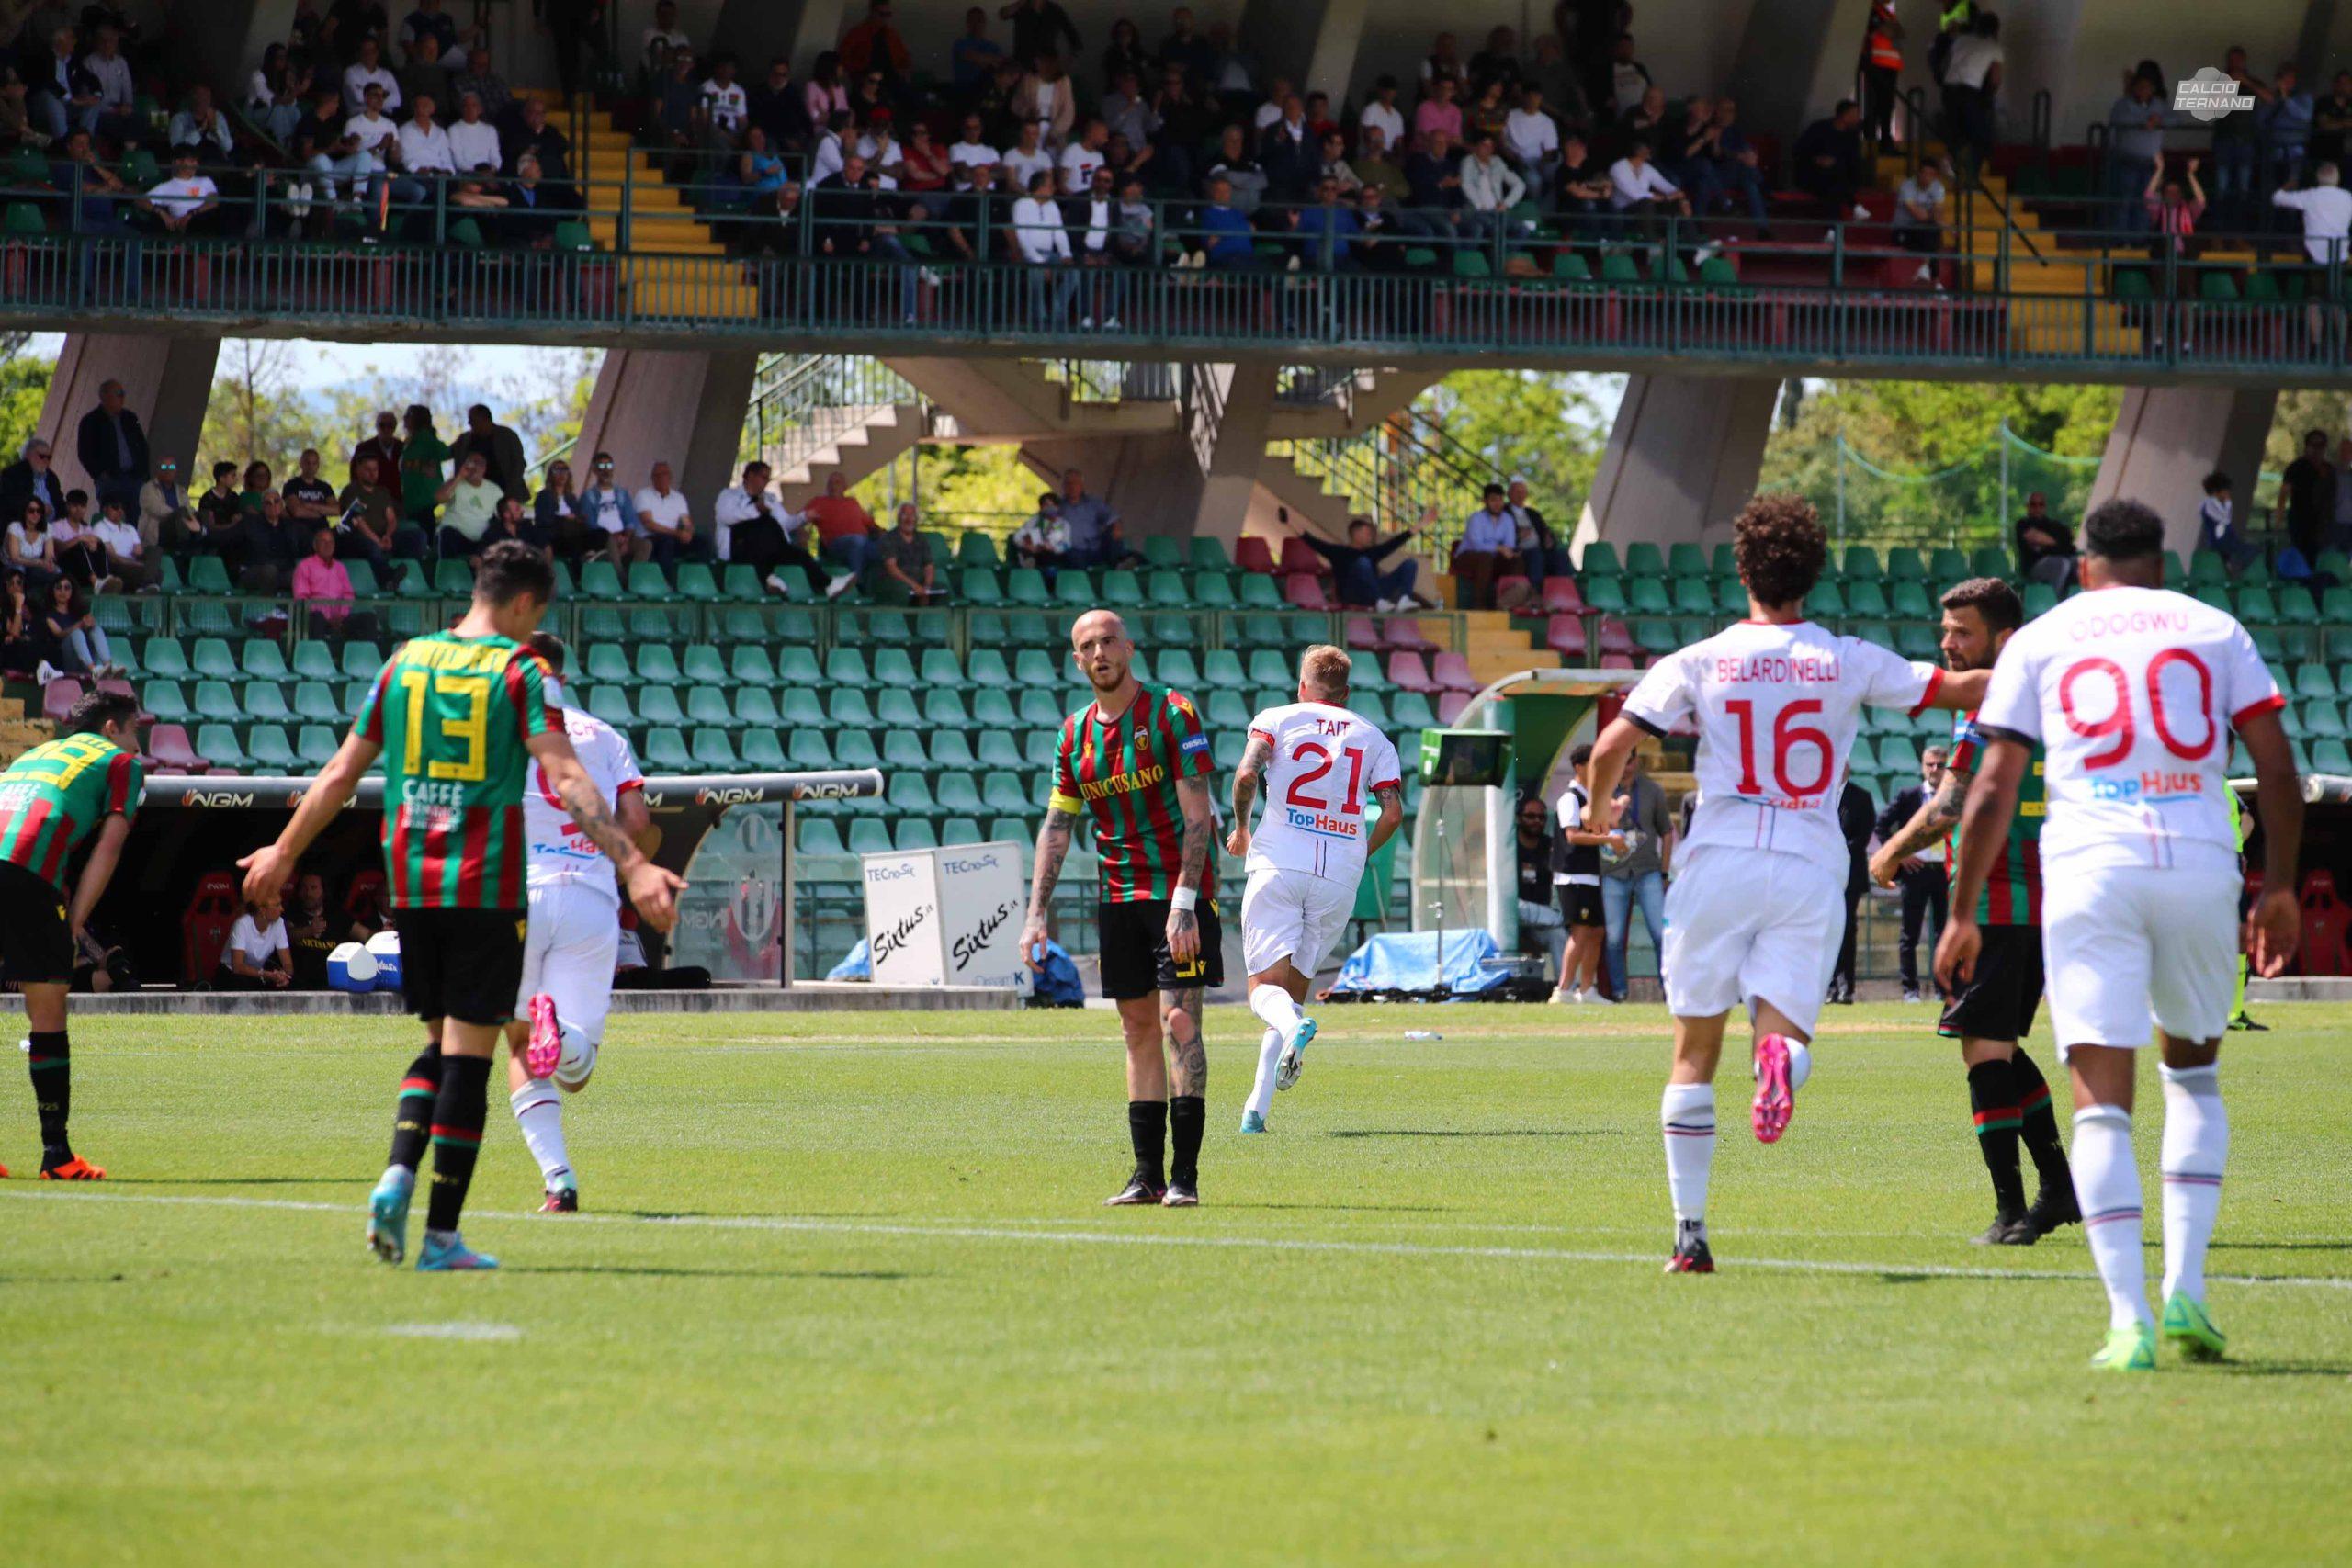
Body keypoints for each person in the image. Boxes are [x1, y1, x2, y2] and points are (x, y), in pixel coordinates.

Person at [238, 542, 684, 1272]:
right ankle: (441, 1235)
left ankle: (397, 1173)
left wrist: (283, 852)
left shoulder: (406, 663)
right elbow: (567, 774)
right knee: (470, 1064)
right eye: (536, 614)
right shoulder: (522, 670)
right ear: (523, 604)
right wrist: (633, 864)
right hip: (486, 884)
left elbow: (341, 773)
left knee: (438, 1045)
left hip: (413, 885)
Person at [1934, 500, 2301, 1371]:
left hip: (2090, 870)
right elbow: (2278, 767)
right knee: (2194, 1080)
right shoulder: (2214, 628)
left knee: (2101, 1100)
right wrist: (2281, 884)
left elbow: (1989, 789)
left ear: (2084, 567)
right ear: (2160, 564)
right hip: (2196, 863)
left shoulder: (2042, 638)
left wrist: (1960, 910)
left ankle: (2128, 1321)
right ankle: (2189, 1291)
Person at [1582, 493, 1989, 1273]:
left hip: (1719, 854)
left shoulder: (1698, 659)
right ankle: (1778, 1061)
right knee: (1784, 1035)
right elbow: (1964, 689)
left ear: (1742, 572)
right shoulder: (1846, 656)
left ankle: (1690, 1235)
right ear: (1813, 574)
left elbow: (1608, 751)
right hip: (1809, 857)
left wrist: (1600, 815)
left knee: (1693, 1052)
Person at [1871, 577, 2075, 1244]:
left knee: (1984, 1051)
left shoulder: (1997, 698)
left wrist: (1889, 851)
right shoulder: (2048, 691)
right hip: (2036, 897)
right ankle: (2059, 1187)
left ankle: (2014, 1210)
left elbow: (1951, 805)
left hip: (1999, 898)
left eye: (1963, 631)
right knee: (1996, 1046)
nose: (1948, 643)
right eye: (1945, 630)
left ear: (2003, 637)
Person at [1019, 609, 1217, 1207]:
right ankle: (1146, 1175)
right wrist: (1035, 913)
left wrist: (1184, 902)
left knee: (1179, 1022)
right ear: (1077, 660)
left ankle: (1184, 1177)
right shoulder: (1072, 734)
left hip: (1177, 896)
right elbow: (1058, 826)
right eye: (1088, 646)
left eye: (1109, 641)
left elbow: (1199, 815)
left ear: (1129, 647)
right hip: (1118, 897)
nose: (1100, 652)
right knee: (1136, 1031)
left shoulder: (1173, 713)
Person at [1226, 644, 1404, 1132]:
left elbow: (1247, 773)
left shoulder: (1277, 719)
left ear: (1302, 686)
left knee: (1265, 991)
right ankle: (1255, 1111)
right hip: (1338, 875)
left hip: (1281, 861)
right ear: (1345, 693)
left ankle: (1294, 1029)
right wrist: (1360, 852)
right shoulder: (1374, 737)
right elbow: (1392, 813)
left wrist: (1241, 829)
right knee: (1292, 992)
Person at [501, 632, 650, 1213]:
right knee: (575, 1071)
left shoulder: (503, 731)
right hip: (589, 896)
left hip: (520, 894)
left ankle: (559, 1180)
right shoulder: (605, 735)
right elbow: (637, 817)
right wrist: (608, 858)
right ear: (563, 677)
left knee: (519, 1046)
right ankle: (559, 1034)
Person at [0, 691, 141, 1179]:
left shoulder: (35, 754)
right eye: (134, 731)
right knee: (47, 1012)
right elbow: (110, 847)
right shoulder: (120, 763)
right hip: (26, 869)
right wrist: (74, 923)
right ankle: (56, 1155)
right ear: (110, 728)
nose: (138, 746)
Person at [1874, 745, 1951, 1003]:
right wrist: (1900, 855)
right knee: (1910, 934)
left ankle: (1943, 990)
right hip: (1915, 872)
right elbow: (1881, 824)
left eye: (1940, 765)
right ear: (1922, 766)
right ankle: (1910, 991)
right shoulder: (1909, 796)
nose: (1935, 770)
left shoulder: (1954, 799)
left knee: (1944, 934)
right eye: (1930, 764)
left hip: (1944, 871)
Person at [1599, 747, 1673, 1001]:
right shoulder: (1603, 790)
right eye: (1619, 762)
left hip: (1647, 869)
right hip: (1613, 870)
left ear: (1636, 761)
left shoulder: (1652, 790)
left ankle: (1668, 989)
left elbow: (1666, 832)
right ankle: (1619, 992)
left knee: (1660, 933)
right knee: (1614, 938)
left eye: (1628, 761)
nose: (1624, 767)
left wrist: (1664, 871)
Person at [1552, 743, 1618, 1004]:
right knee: (1580, 932)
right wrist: (1609, 839)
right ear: (1579, 767)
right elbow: (1573, 836)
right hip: (1573, 875)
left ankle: (1587, 989)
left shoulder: (1590, 798)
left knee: (1597, 931)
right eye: (1593, 764)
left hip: (1590, 874)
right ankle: (1563, 990)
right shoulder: (1570, 798)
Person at [1292, 513, 1427, 610]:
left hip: (1372, 591)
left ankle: (1404, 599)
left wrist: (1421, 524)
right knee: (1363, 563)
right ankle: (1379, 601)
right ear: (1356, 534)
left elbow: (1395, 542)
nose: (1370, 537)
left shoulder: (1372, 552)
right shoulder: (1338, 552)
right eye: (1367, 534)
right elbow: (1312, 541)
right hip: (1352, 594)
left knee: (1410, 564)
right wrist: (1288, 519)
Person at [1829, 774, 1874, 1003]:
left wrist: (1833, 848)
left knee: (1846, 927)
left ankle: (1846, 986)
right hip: (1822, 874)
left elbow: (1862, 837)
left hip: (1850, 874)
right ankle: (1829, 986)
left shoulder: (1861, 797)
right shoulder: (1819, 796)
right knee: (1824, 929)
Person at [74, 378, 147, 519]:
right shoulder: (91, 421)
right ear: (105, 396)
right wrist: (100, 474)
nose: (123, 397)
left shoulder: (130, 418)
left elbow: (143, 447)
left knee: (136, 519)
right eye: (119, 394)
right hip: (110, 481)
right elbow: (84, 453)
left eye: (123, 393)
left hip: (134, 479)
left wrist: (143, 474)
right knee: (112, 520)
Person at [1516, 793, 1566, 984]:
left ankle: (1566, 987)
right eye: (1530, 816)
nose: (1536, 821)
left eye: (1541, 817)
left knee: (1558, 934)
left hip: (1540, 921)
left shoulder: (1550, 846)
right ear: (1518, 818)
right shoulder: (1507, 846)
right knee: (1515, 906)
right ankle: (1560, 919)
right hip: (1512, 916)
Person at [1453, 483, 1525, 610]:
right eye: (1493, 500)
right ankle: (1479, 604)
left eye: (1500, 500)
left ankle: (1508, 603)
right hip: (1467, 557)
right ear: (1485, 501)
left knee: (1516, 560)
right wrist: (1499, 548)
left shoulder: (1507, 519)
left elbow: (1509, 544)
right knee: (1485, 558)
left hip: (1494, 558)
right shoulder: (1476, 518)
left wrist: (1509, 552)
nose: (1498, 504)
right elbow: (1477, 545)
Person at [869, 502, 944, 604]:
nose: (909, 519)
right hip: (895, 582)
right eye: (905, 515)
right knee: (902, 591)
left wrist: (926, 588)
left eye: (912, 515)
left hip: (919, 582)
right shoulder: (889, 538)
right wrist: (915, 586)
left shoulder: (921, 539)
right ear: (898, 517)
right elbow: (892, 568)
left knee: (942, 591)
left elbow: (929, 566)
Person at [2279, 428, 2335, 565]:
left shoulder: (2329, 470)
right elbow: (2284, 493)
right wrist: (2279, 516)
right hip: (2300, 522)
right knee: (2300, 557)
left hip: (2322, 525)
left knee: (2320, 559)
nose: (2317, 449)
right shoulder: (2296, 467)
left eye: (2321, 445)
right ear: (2306, 446)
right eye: (2313, 445)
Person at [217, 895, 293, 990]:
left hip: (258, 975)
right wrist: (267, 975)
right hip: (231, 977)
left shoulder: (279, 923)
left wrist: (284, 976)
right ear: (262, 910)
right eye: (277, 905)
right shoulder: (242, 924)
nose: (282, 909)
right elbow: (238, 967)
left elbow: (287, 964)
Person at [434, 450, 500, 559]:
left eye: (478, 463)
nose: (474, 466)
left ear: (484, 468)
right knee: (447, 533)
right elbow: (439, 498)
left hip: (481, 540)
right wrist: (459, 476)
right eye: (470, 462)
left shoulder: (494, 490)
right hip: (454, 536)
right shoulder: (455, 483)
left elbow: (503, 514)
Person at [630, 460, 698, 567]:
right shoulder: (643, 494)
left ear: (670, 477)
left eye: (664, 474)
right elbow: (649, 524)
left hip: (673, 536)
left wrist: (688, 532)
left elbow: (687, 523)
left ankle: (694, 576)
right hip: (650, 537)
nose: (661, 478)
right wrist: (677, 533)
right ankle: (665, 576)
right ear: (652, 478)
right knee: (667, 541)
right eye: (657, 475)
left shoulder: (678, 498)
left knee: (703, 542)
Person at [2196, 469, 2258, 574]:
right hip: (2218, 541)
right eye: (2225, 491)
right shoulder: (2207, 504)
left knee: (2253, 550)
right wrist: (2227, 504)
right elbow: (2224, 519)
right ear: (2216, 491)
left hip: (2227, 539)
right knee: (2246, 551)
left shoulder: (2223, 504)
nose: (2227, 494)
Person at [285, 871, 340, 989]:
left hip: (331, 985)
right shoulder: (291, 913)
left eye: (314, 888)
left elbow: (364, 934)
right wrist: (309, 930)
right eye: (304, 888)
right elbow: (286, 936)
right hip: (298, 985)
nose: (308, 893)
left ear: (324, 891)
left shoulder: (336, 915)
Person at [2013, 491, 2075, 590]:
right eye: (2033, 504)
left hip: (2059, 559)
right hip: (2033, 567)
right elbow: (2034, 537)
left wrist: (2047, 541)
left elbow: (2069, 536)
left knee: (2079, 564)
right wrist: (2058, 542)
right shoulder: (2023, 524)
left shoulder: (2054, 525)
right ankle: (2056, 598)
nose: (2037, 508)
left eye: (2041, 504)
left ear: (2045, 507)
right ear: (2028, 507)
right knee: (2061, 564)